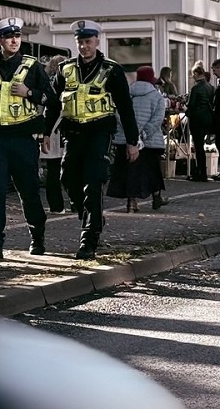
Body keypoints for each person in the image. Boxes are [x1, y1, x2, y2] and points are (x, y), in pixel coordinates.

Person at [0, 17, 56, 261]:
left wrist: (30, 93)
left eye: (17, 36)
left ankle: (37, 237)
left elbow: (52, 100)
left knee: (29, 192)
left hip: (23, 139)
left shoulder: (32, 66)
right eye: (9, 37)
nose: (14, 41)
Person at [52, 20, 139, 260]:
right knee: (68, 178)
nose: (84, 46)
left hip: (99, 134)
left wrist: (132, 141)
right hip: (73, 135)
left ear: (97, 41)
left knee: (93, 184)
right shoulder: (66, 69)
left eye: (88, 41)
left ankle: (88, 240)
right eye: (80, 42)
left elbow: (125, 107)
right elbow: (53, 103)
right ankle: (93, 217)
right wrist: (45, 133)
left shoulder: (112, 70)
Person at [108, 66, 167, 212]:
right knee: (153, 169)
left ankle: (131, 202)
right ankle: (156, 197)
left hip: (126, 139)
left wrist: (132, 134)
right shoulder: (156, 96)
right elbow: (158, 119)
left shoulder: (125, 93)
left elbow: (118, 114)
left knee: (129, 171)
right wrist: (144, 134)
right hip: (150, 141)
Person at [40, 56, 67, 213]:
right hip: (63, 127)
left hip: (49, 129)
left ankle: (56, 206)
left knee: (53, 170)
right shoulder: (66, 83)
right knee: (71, 167)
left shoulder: (45, 83)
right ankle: (76, 203)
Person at [186, 61, 215, 182]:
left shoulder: (196, 88)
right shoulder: (210, 87)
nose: (192, 76)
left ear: (197, 74)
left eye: (193, 74)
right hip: (207, 118)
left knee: (198, 146)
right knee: (201, 145)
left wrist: (187, 110)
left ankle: (201, 172)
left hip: (197, 119)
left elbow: (191, 105)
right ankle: (202, 171)